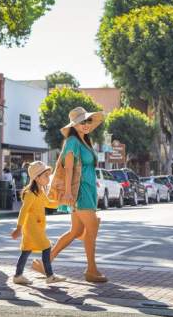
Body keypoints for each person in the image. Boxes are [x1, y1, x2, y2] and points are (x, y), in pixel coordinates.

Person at [32, 106, 107, 283]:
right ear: (75, 125)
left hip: (88, 189)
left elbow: (87, 167)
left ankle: (46, 262)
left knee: (77, 231)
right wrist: (67, 193)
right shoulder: (72, 141)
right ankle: (91, 269)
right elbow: (68, 168)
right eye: (82, 122)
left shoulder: (85, 142)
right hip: (79, 191)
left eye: (88, 121)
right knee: (92, 227)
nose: (86, 124)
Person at [11, 161, 66, 285]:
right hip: (31, 228)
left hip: (36, 227)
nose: (48, 178)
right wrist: (18, 228)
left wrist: (61, 201)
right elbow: (23, 211)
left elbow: (48, 203)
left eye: (48, 175)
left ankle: (18, 276)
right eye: (45, 175)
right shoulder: (30, 194)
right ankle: (50, 275)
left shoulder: (40, 192)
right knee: (46, 247)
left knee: (26, 251)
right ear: (36, 178)